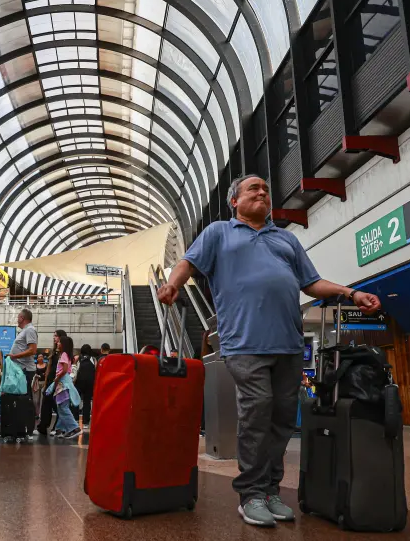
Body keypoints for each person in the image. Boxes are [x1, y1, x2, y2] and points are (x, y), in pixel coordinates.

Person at [157, 174, 381, 528]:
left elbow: (312, 282)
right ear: (235, 201)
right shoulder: (219, 232)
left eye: (266, 189)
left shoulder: (285, 239)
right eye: (253, 189)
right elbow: (188, 262)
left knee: (280, 418)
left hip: (289, 343)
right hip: (244, 342)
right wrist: (173, 284)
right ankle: (250, 494)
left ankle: (270, 489)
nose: (262, 193)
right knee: (257, 408)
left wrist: (350, 292)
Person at [7, 309, 38, 433]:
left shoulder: (30, 330)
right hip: (20, 370)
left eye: (18, 317)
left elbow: (32, 350)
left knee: (26, 399)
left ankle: (29, 428)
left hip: (26, 371)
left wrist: (15, 356)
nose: (17, 319)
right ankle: (21, 426)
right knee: (20, 399)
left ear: (22, 318)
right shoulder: (25, 331)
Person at [50, 336, 81, 439]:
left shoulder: (63, 354)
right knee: (62, 407)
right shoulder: (67, 355)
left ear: (63, 344)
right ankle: (62, 429)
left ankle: (74, 428)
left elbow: (64, 369)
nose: (57, 344)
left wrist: (57, 378)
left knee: (63, 407)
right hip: (65, 383)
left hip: (62, 384)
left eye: (59, 342)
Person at [36, 330, 66, 435]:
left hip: (59, 381)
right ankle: (43, 426)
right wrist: (45, 384)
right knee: (46, 403)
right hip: (50, 381)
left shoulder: (64, 353)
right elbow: (49, 368)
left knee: (58, 405)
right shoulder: (54, 352)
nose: (54, 338)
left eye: (56, 336)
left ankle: (57, 427)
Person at [74, 344, 96, 429]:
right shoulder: (93, 359)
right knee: (87, 402)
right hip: (89, 383)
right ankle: (86, 422)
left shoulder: (78, 358)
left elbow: (75, 369)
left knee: (76, 400)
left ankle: (75, 419)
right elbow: (95, 370)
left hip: (79, 382)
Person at [32, 353, 47, 425]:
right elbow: (34, 374)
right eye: (39, 357)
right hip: (37, 383)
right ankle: (36, 413)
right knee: (36, 400)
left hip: (44, 383)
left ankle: (41, 414)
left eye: (42, 357)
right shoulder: (35, 366)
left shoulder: (46, 365)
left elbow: (47, 374)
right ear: (37, 359)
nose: (41, 358)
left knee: (42, 399)